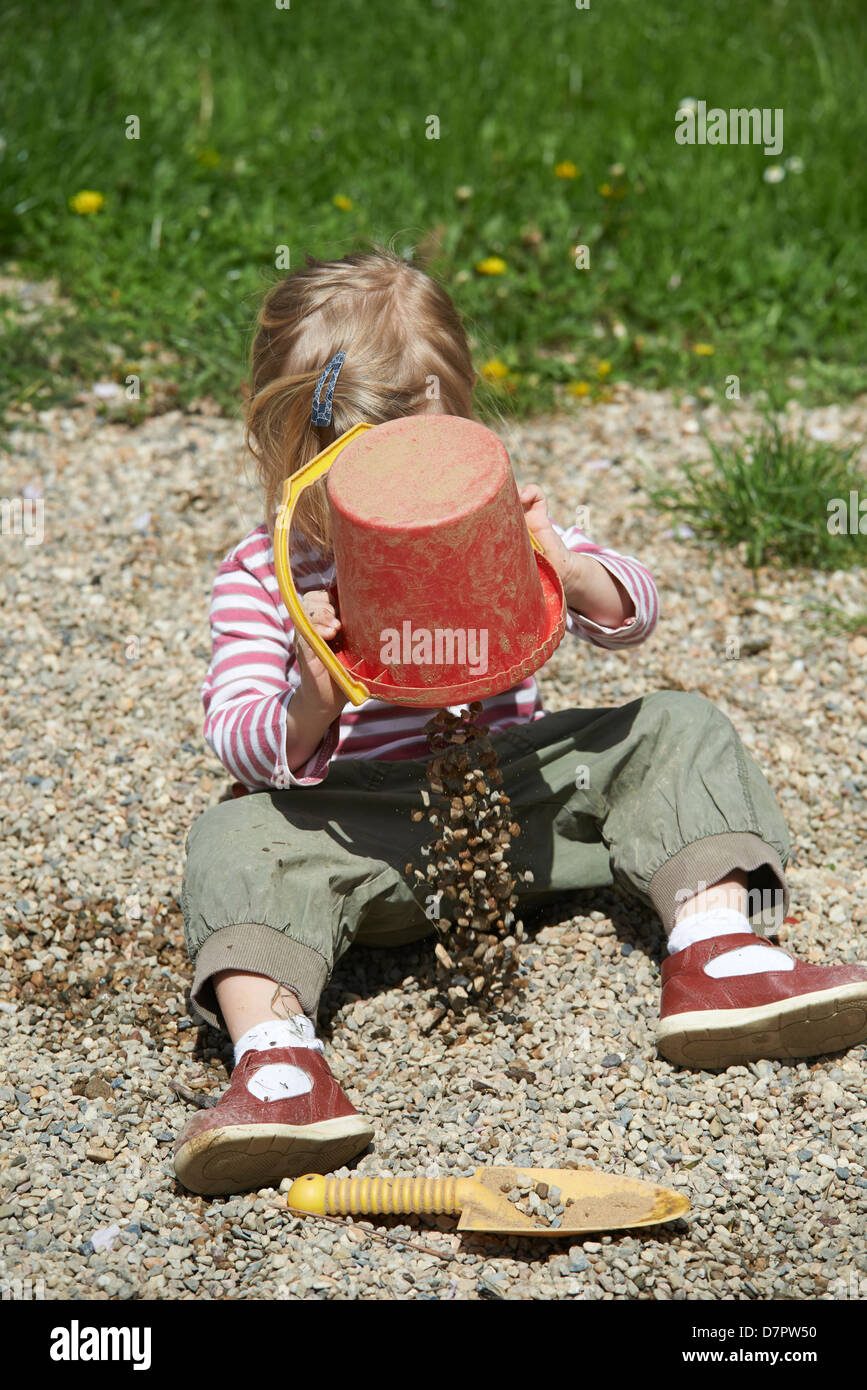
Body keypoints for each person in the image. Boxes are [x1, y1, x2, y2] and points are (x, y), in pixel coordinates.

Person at [174, 248, 867, 1196]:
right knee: (230, 832)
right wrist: (313, 692)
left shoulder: (488, 516)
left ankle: (717, 950)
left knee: (673, 722)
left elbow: (631, 615)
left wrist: (566, 570)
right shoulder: (266, 573)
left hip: (523, 807)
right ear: (295, 453)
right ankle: (279, 1063)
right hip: (362, 842)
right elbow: (237, 735)